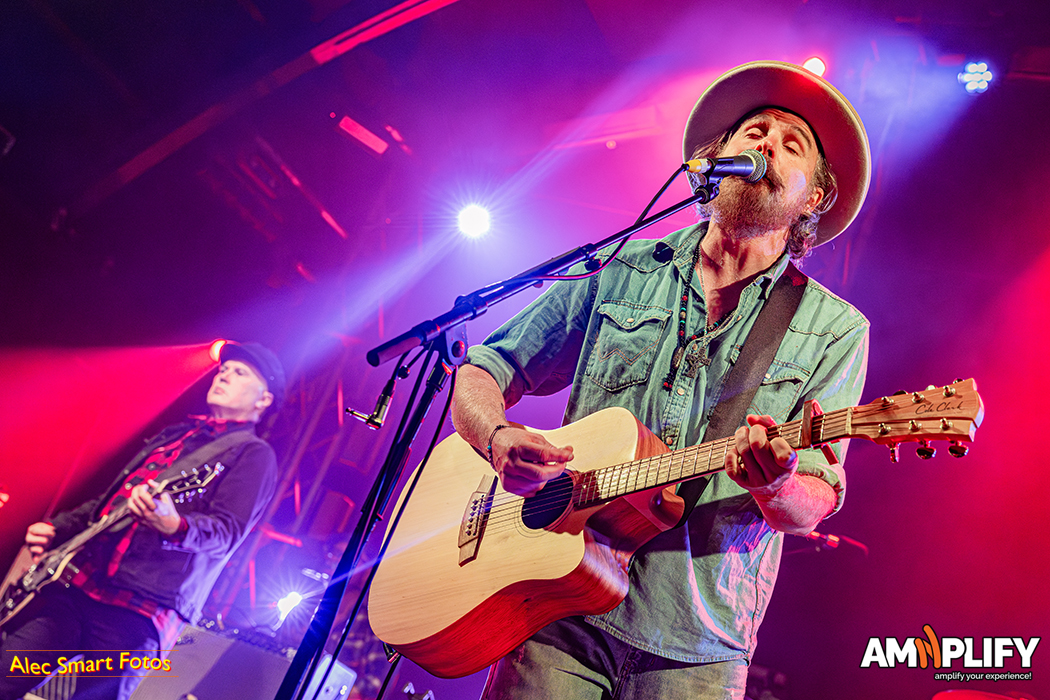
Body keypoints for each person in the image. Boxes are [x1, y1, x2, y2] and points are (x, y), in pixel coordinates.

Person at [450, 62, 872, 699]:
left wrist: (777, 482)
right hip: (557, 608)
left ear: (812, 197)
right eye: (755, 132)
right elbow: (485, 368)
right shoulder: (622, 266)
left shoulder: (834, 329)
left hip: (696, 649)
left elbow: (815, 497)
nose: (767, 145)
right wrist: (497, 437)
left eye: (793, 146)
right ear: (716, 159)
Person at [0, 341, 285, 700]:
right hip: (79, 586)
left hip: (139, 613)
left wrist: (175, 525)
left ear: (263, 399)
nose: (224, 375)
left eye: (240, 372)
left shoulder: (254, 454)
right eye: (224, 369)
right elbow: (108, 505)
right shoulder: (176, 435)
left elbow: (226, 532)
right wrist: (59, 528)